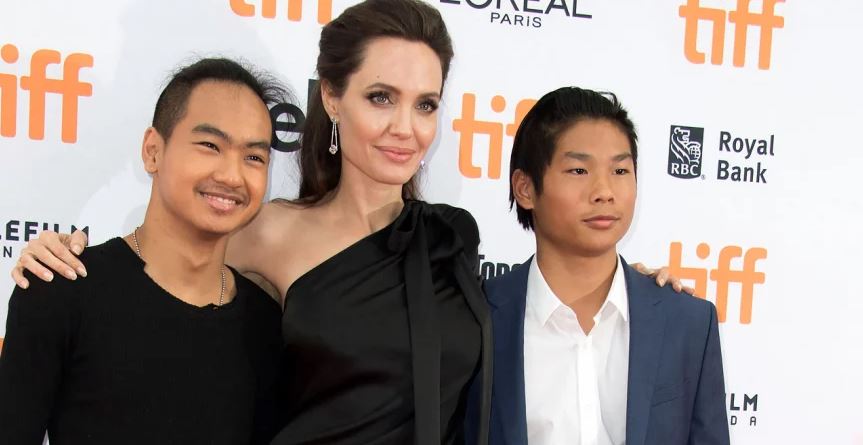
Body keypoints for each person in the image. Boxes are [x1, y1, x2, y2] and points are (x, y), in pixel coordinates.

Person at [7, 2, 690, 444]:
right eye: (380, 98)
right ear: (332, 98)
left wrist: (625, 290)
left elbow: (519, 320)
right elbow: (167, 293)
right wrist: (65, 255)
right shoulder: (263, 233)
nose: (404, 127)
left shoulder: (451, 239)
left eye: (425, 104)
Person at [0, 58, 285, 444]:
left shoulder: (264, 325)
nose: (232, 176)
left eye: (253, 157)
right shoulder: (62, 287)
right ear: (153, 151)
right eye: (210, 145)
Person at [465, 87, 730, 445]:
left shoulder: (687, 323)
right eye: (579, 170)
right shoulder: (475, 319)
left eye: (620, 170)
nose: (604, 191)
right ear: (525, 189)